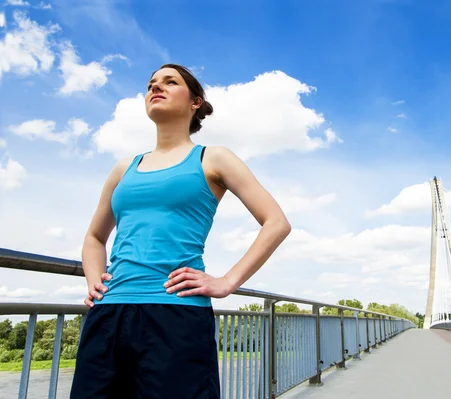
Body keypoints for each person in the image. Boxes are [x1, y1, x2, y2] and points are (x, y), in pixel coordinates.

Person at [70, 64, 291, 399]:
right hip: (109, 314)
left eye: (170, 82)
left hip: (176, 314)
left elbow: (276, 222)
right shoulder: (123, 168)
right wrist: (94, 281)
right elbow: (94, 238)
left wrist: (226, 282)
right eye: (151, 84)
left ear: (195, 102)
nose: (156, 88)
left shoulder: (212, 158)